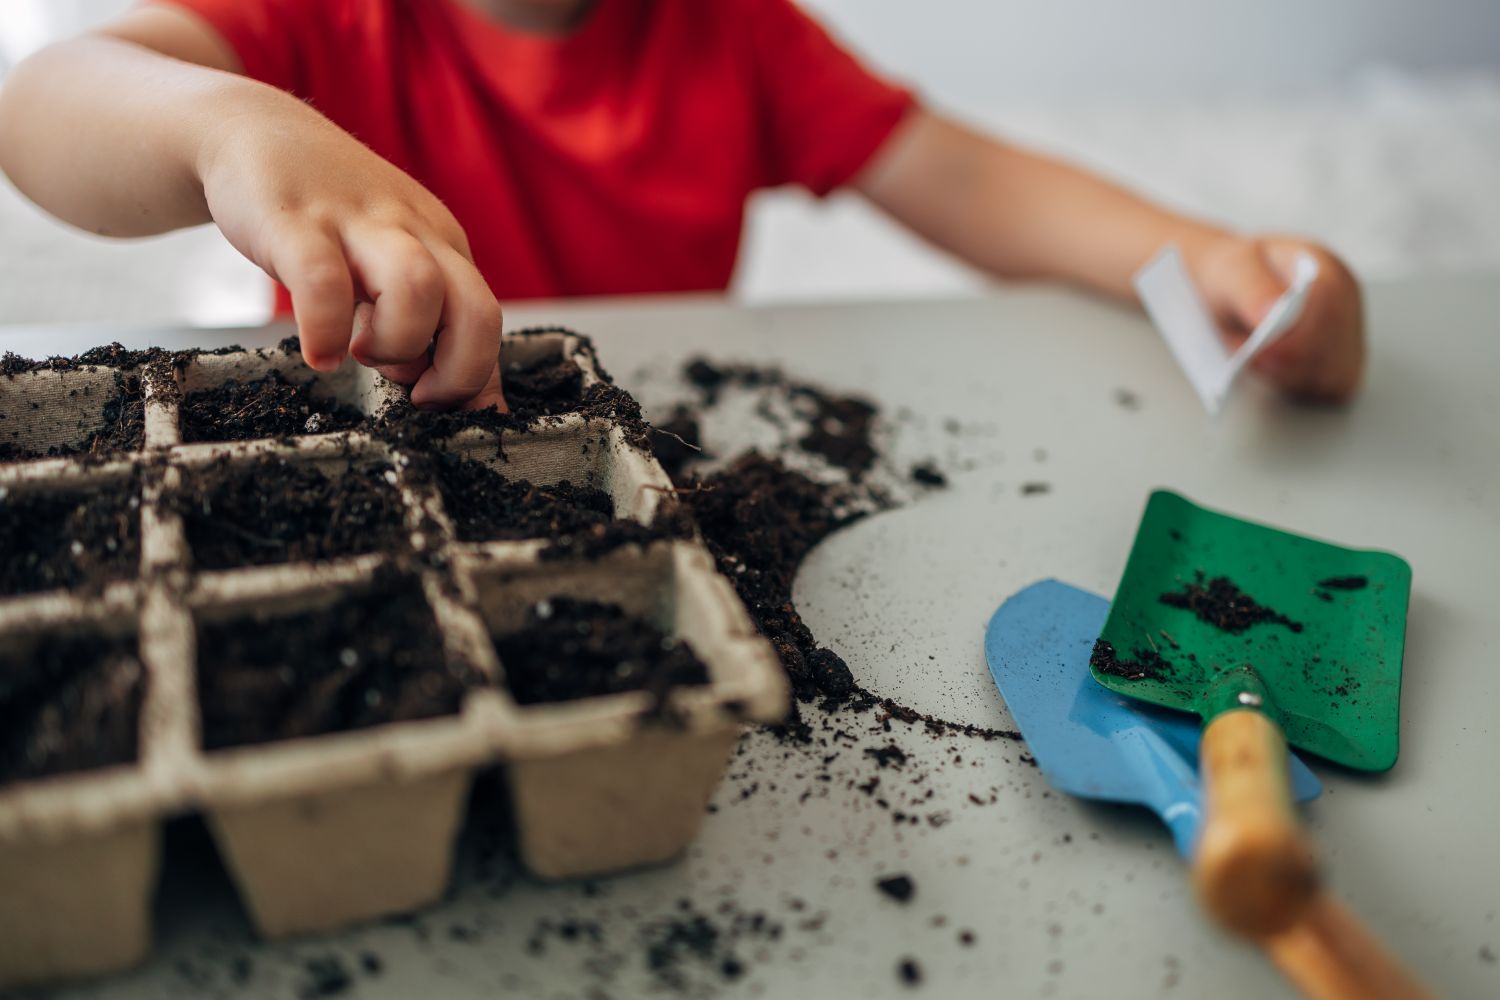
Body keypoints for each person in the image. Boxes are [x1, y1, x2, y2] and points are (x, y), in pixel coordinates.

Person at [0, 0, 1364, 413]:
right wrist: (224, 125)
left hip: (652, 431)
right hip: (377, 418)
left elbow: (965, 180)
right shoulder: (324, 19)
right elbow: (48, 103)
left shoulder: (739, 34)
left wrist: (1198, 256)